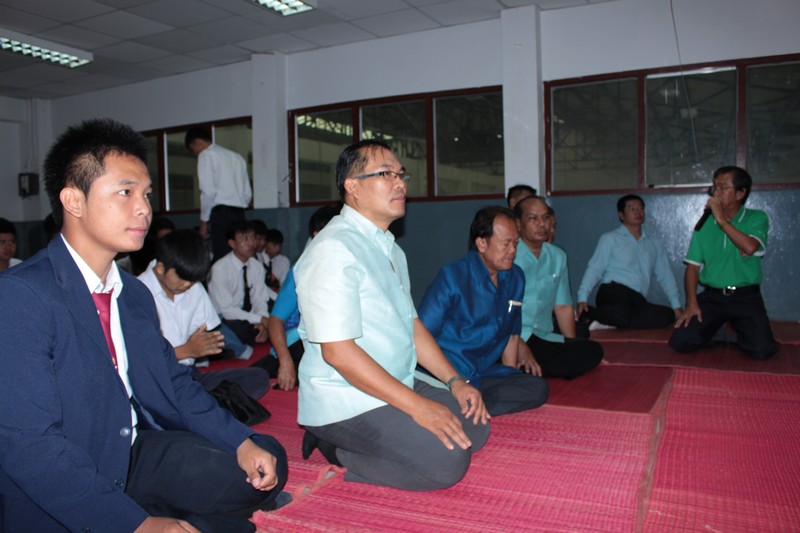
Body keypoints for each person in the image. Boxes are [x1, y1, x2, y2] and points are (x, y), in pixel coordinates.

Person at [0, 118, 287, 532]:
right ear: (74, 200)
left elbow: (174, 385)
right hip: (66, 475)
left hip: (131, 454)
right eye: (125, 192)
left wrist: (240, 442)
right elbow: (29, 446)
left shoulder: (132, 294)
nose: (143, 209)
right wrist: (135, 524)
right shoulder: (22, 295)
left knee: (267, 456)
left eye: (146, 194)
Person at [294, 139, 490, 491]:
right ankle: (334, 447)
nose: (400, 183)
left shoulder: (390, 250)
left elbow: (411, 325)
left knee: (475, 424)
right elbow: (338, 353)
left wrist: (455, 381)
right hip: (346, 397)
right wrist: (418, 407)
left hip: (394, 380)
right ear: (352, 187)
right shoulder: (332, 250)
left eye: (401, 174)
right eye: (386, 174)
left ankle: (399, 428)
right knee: (447, 461)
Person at [418, 206, 549, 416]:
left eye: (516, 243)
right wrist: (453, 379)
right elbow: (421, 335)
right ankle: (460, 404)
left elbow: (511, 336)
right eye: (505, 244)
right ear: (481, 243)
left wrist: (511, 375)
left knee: (537, 388)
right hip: (446, 375)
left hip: (482, 372)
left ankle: (465, 408)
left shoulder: (515, 277)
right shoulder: (452, 277)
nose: (513, 250)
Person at [138, 229, 269, 400]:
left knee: (257, 378)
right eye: (182, 279)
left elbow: (209, 330)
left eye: (192, 280)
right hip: (153, 379)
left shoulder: (193, 287)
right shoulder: (136, 292)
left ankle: (199, 406)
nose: (187, 285)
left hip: (188, 375)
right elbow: (137, 360)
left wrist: (203, 345)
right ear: (161, 268)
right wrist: (186, 350)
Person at [669, 166, 779, 359]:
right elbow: (693, 268)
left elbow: (750, 247)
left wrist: (721, 221)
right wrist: (691, 304)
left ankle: (738, 331)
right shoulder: (704, 225)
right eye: (715, 187)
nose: (716, 192)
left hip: (745, 297)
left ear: (740, 193)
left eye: (723, 187)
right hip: (712, 297)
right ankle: (717, 327)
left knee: (761, 351)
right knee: (680, 342)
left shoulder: (756, 218)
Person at [513, 196, 604, 379]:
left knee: (592, 351)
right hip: (513, 338)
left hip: (542, 336)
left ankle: (528, 368)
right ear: (518, 224)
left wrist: (571, 343)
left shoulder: (558, 256)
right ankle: (523, 365)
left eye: (546, 218)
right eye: (533, 218)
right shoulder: (509, 255)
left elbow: (562, 306)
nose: (542, 224)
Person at [260, 203, 341, 391]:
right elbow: (275, 321)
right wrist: (285, 362)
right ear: (317, 236)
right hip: (299, 342)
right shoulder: (301, 270)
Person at [576, 194, 682, 330]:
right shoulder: (610, 239)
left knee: (667, 315)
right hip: (613, 291)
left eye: (640, 208)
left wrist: (676, 306)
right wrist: (582, 297)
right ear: (621, 215)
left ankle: (609, 321)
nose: (638, 212)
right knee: (621, 313)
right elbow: (595, 269)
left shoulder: (654, 244)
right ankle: (589, 313)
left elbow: (665, 275)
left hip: (637, 298)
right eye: (632, 209)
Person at [185, 126, 252, 261]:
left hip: (222, 215)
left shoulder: (206, 155)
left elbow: (208, 193)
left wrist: (203, 223)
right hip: (240, 214)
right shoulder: (237, 157)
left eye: (193, 150)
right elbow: (247, 195)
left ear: (195, 142)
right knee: (241, 256)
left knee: (223, 257)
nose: (195, 154)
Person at [208, 220, 270, 348]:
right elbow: (227, 311)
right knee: (235, 331)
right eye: (245, 239)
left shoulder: (256, 266)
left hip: (249, 317)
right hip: (225, 319)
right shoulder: (219, 269)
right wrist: (259, 319)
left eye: (253, 238)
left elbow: (260, 299)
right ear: (232, 244)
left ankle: (260, 333)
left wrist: (263, 320)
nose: (251, 243)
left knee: (276, 316)